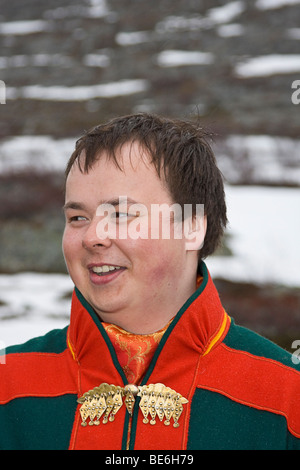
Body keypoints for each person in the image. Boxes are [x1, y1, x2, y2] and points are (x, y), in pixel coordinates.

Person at [0, 113, 299, 450]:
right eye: (78, 217)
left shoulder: (287, 397)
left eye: (121, 214)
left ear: (191, 227)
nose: (93, 236)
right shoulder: (8, 386)